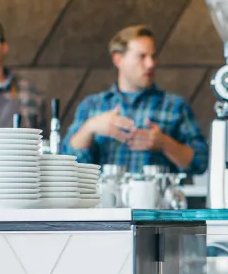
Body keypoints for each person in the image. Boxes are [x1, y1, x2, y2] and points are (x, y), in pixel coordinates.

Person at [64, 25, 207, 175]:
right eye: (142, 56)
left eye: (153, 56)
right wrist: (90, 128)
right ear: (118, 60)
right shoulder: (92, 106)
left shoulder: (175, 106)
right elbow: (66, 166)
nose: (151, 64)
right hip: (104, 198)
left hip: (156, 197)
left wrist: (165, 144)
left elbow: (201, 162)